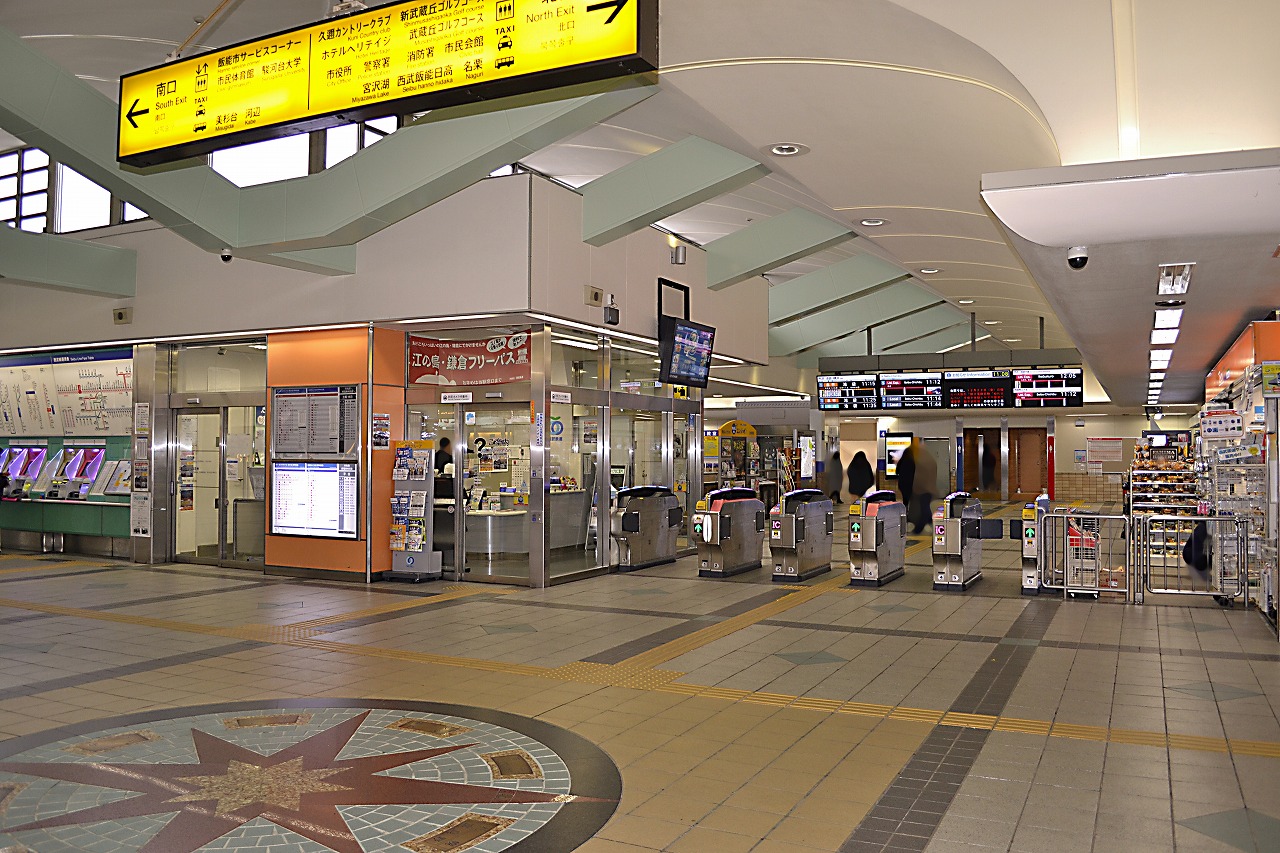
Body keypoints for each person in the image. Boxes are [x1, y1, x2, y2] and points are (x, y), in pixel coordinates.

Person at [910, 438, 937, 534]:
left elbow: (920, 477)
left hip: (923, 490)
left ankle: (918, 529)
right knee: (925, 507)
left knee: (924, 509)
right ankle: (933, 524)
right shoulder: (929, 460)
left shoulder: (922, 462)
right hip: (928, 489)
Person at [895, 441, 915, 515]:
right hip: (911, 483)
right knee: (912, 498)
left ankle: (905, 511)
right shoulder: (913, 461)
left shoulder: (901, 461)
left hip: (902, 483)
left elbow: (896, 471)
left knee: (905, 498)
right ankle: (911, 513)